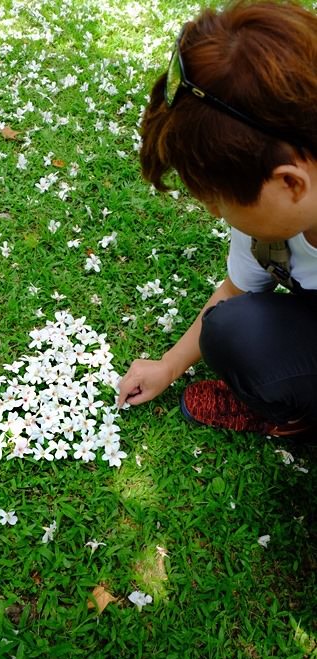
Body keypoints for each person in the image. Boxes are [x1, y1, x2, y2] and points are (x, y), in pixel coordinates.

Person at [117, 0, 317, 436]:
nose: (213, 211)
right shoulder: (274, 226)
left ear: (290, 184)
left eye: (220, 199)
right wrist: (168, 366)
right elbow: (236, 288)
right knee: (230, 330)